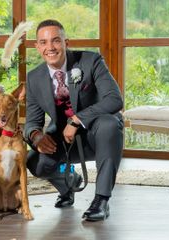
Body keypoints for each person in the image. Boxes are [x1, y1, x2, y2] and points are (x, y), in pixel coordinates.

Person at [24, 19, 123, 221]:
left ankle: (101, 201)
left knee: (109, 123)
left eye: (56, 41)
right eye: (43, 42)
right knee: (35, 162)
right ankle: (69, 181)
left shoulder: (90, 61)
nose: (50, 47)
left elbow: (114, 100)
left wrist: (77, 119)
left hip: (98, 135)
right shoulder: (34, 78)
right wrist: (36, 137)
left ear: (66, 42)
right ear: (37, 47)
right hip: (64, 139)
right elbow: (32, 122)